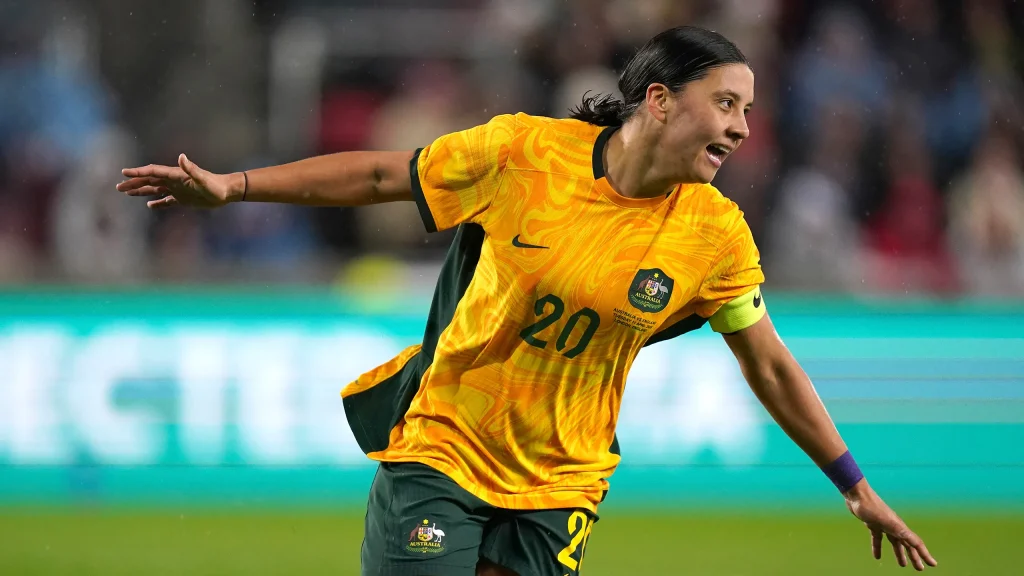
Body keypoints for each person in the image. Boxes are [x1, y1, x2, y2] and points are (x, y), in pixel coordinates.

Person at [117, 26, 937, 576]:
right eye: (726, 104)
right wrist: (234, 187)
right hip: (445, 447)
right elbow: (381, 175)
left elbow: (770, 364)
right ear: (659, 100)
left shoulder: (716, 235)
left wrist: (853, 484)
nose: (744, 128)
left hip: (561, 485)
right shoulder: (524, 154)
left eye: (749, 111)